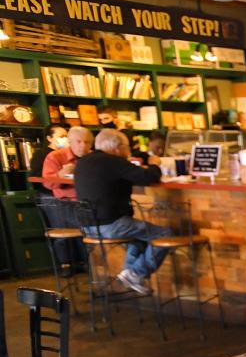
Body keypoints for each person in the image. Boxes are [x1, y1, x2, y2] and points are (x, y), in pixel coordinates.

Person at [73, 127, 168, 296]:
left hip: (87, 226)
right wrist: (155, 164)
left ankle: (128, 276)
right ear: (117, 147)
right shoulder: (114, 162)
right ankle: (135, 273)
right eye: (126, 147)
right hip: (111, 224)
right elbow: (148, 177)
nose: (128, 151)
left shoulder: (83, 161)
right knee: (164, 235)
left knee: (138, 240)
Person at [41, 125, 93, 200]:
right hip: (68, 202)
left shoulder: (94, 157)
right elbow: (47, 183)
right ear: (70, 142)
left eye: (87, 142)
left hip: (92, 200)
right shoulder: (55, 156)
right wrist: (62, 175)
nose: (83, 145)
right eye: (78, 141)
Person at [30, 125, 68, 196]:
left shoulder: (67, 153)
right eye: (62, 136)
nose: (65, 139)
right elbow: (36, 175)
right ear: (49, 138)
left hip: (66, 192)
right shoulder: (40, 154)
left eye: (67, 136)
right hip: (49, 193)